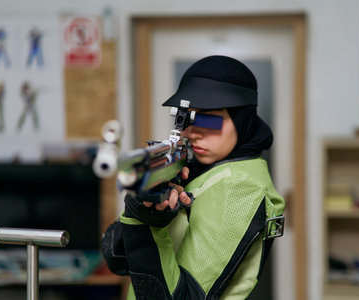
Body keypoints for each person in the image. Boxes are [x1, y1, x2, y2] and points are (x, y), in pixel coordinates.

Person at [102, 55, 285, 299]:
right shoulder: (199, 171)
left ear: (241, 119)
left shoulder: (238, 184)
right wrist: (144, 210)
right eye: (187, 117)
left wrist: (153, 225)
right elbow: (118, 257)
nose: (193, 133)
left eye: (209, 119)